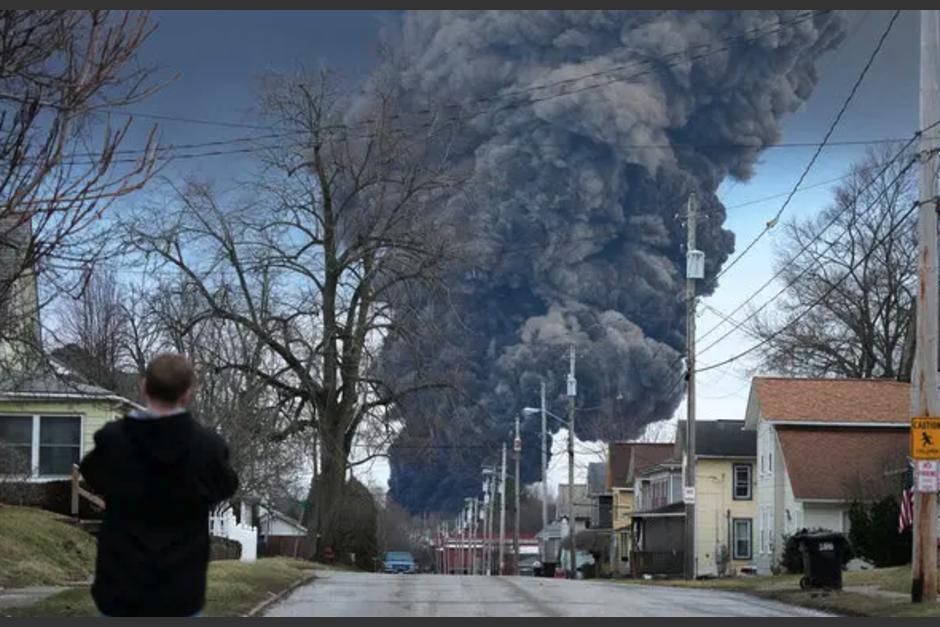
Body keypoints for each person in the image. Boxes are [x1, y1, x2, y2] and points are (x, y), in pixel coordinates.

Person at [79, 353, 239, 617]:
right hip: (180, 593)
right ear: (187, 394)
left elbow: (93, 475)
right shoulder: (207, 448)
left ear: (143, 387)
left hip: (119, 590)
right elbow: (226, 485)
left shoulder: (113, 442)